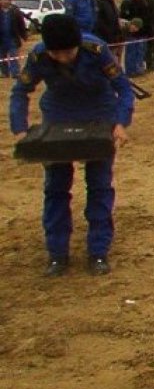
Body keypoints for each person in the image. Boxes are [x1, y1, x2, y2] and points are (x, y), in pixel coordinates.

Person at [9, 14, 135, 277]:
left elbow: (123, 88)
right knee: (55, 187)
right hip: (58, 119)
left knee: (99, 185)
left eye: (68, 52)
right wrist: (20, 130)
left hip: (99, 117)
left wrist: (120, 123)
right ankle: (57, 254)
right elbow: (20, 92)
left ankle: (98, 251)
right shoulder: (39, 56)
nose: (64, 58)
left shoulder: (96, 50)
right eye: (57, 54)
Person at [0, 0, 29, 78]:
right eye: (3, 0)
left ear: (10, 1)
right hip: (1, 39)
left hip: (12, 38)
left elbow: (21, 24)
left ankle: (15, 72)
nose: (5, 2)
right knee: (2, 57)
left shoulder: (15, 12)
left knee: (14, 56)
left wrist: (24, 35)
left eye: (7, 0)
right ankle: (4, 73)